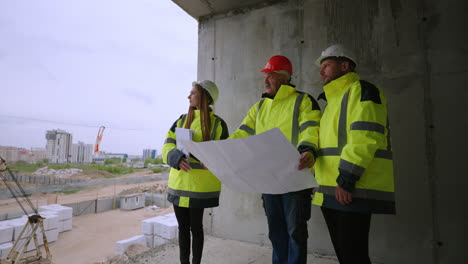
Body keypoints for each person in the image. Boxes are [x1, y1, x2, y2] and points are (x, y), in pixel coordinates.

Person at [230, 55, 321, 264]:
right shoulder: (260, 107)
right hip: (269, 182)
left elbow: (311, 129)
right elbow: (240, 135)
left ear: (283, 77)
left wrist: (308, 150)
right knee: (276, 233)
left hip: (295, 182)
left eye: (269, 75)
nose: (265, 80)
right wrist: (218, 152)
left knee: (295, 233)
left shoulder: (303, 101)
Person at [312, 44, 396, 264]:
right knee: (344, 254)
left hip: (350, 188)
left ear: (345, 65)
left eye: (326, 66)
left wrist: (347, 179)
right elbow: (327, 147)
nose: (321, 72)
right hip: (331, 190)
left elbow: (365, 136)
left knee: (353, 255)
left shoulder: (362, 91)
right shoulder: (332, 101)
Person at [162, 80, 229, 264]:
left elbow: (225, 152)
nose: (188, 96)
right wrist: (176, 158)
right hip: (179, 184)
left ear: (204, 96)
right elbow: (167, 145)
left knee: (196, 228)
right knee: (183, 228)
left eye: (193, 92)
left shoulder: (218, 125)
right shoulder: (181, 120)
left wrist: (214, 160)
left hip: (200, 187)